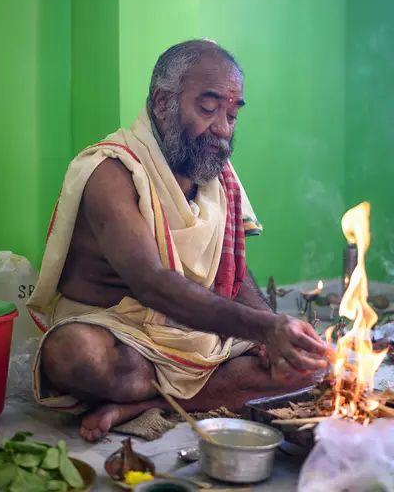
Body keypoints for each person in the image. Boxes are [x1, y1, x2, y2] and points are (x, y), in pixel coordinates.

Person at [27, 39, 329, 442]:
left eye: (232, 115)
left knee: (311, 366)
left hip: (194, 341)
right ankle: (191, 392)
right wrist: (264, 328)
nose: (222, 129)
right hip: (121, 338)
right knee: (76, 357)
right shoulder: (112, 172)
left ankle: (146, 403)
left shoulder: (217, 178)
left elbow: (232, 272)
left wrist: (270, 333)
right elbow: (153, 284)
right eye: (208, 108)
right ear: (162, 101)